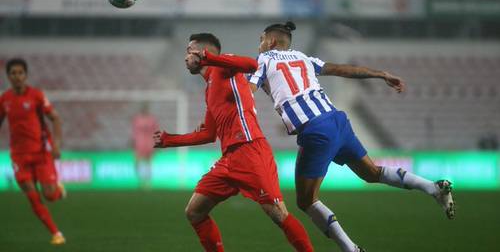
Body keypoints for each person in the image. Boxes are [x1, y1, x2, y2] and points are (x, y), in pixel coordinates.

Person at [248, 21, 455, 252]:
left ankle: (351, 250)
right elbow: (340, 69)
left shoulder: (263, 60)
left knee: (306, 201)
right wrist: (380, 74)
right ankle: (433, 188)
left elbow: (248, 92)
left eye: (261, 40)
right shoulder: (304, 58)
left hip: (316, 130)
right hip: (337, 121)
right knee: (371, 173)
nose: (259, 46)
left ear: (272, 41)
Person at [153, 33, 314, 252]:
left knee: (278, 213)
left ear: (202, 52)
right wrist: (169, 140)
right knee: (194, 211)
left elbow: (252, 64)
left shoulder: (224, 66)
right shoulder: (209, 89)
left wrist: (209, 58)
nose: (185, 57)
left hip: (250, 149)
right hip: (229, 159)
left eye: (189, 50)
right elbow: (208, 135)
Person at [0, 58, 66, 245]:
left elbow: (55, 118)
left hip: (40, 152)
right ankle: (56, 233)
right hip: (19, 156)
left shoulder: (36, 96)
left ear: (26, 75)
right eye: (13, 73)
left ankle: (58, 191)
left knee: (49, 195)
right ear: (8, 76)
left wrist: (56, 145)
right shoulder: (4, 99)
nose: (17, 77)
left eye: (20, 73)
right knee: (32, 195)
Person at [131, 102, 158, 188]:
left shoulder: (152, 119)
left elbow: (155, 131)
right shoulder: (137, 119)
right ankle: (140, 179)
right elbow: (134, 131)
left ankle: (147, 182)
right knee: (137, 161)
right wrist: (132, 140)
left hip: (149, 142)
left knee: (148, 162)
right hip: (139, 142)